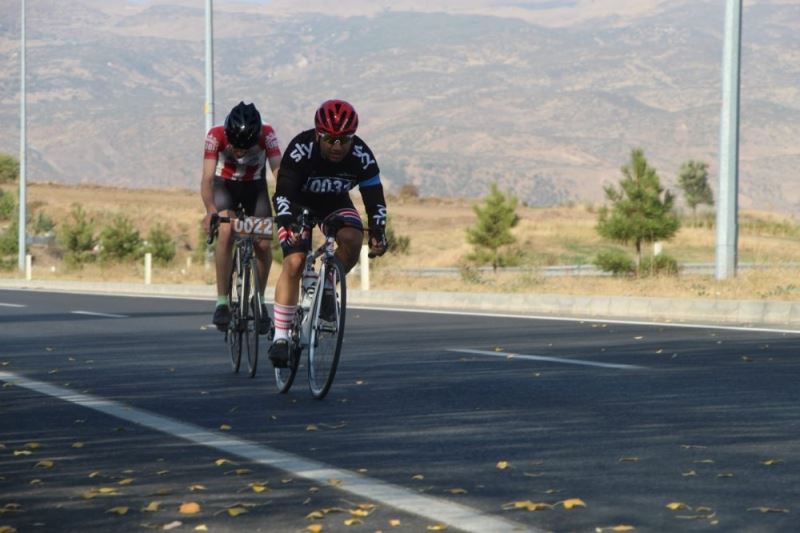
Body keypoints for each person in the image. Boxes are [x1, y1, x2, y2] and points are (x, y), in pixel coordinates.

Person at [268, 99, 388, 367]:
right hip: (298, 204)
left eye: (344, 139)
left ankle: (326, 287)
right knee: (295, 261)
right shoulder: (300, 148)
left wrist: (379, 231)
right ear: (318, 135)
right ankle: (280, 337)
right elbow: (284, 191)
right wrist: (287, 221)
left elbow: (375, 199)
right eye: (330, 139)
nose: (337, 146)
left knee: (353, 238)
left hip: (334, 202)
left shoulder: (361, 156)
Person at [201, 101, 282, 333]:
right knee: (227, 229)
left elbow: (279, 172)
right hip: (223, 186)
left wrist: (288, 205)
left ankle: (258, 299)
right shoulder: (215, 135)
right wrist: (210, 211)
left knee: (264, 244)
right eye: (236, 147)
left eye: (246, 148)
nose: (239, 152)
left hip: (254, 188)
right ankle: (222, 302)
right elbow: (207, 178)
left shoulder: (267, 134)